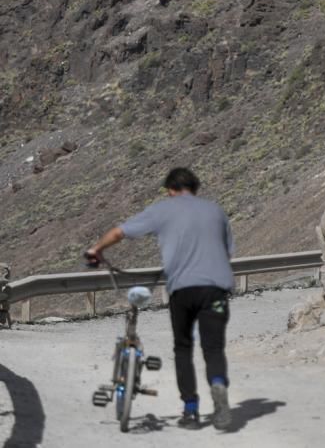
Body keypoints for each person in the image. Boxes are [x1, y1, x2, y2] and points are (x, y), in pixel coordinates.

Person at [86, 167, 234, 430]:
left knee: (183, 348)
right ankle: (218, 384)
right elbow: (227, 251)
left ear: (170, 190)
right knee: (212, 348)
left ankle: (190, 410)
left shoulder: (163, 209)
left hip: (183, 289)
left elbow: (120, 232)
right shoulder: (216, 211)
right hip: (216, 288)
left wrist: (96, 249)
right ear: (195, 188)